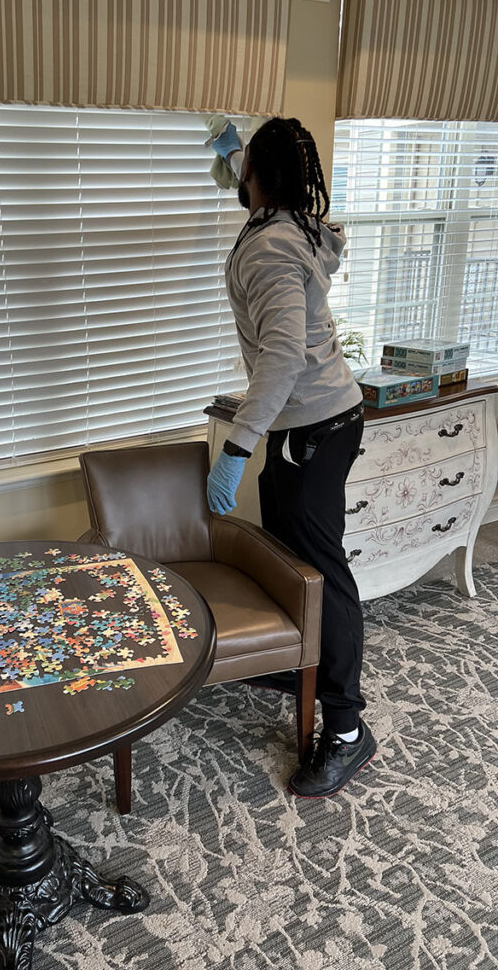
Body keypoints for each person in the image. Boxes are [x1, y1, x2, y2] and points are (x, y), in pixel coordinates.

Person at [205, 116, 376, 798]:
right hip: (316, 420)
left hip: (312, 425)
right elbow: (253, 187)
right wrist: (236, 161)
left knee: (320, 573)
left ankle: (346, 728)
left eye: (243, 169)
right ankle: (297, 660)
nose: (235, 177)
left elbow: (278, 360)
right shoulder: (291, 223)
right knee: (289, 558)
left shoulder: (272, 249)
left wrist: (237, 449)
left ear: (261, 179)